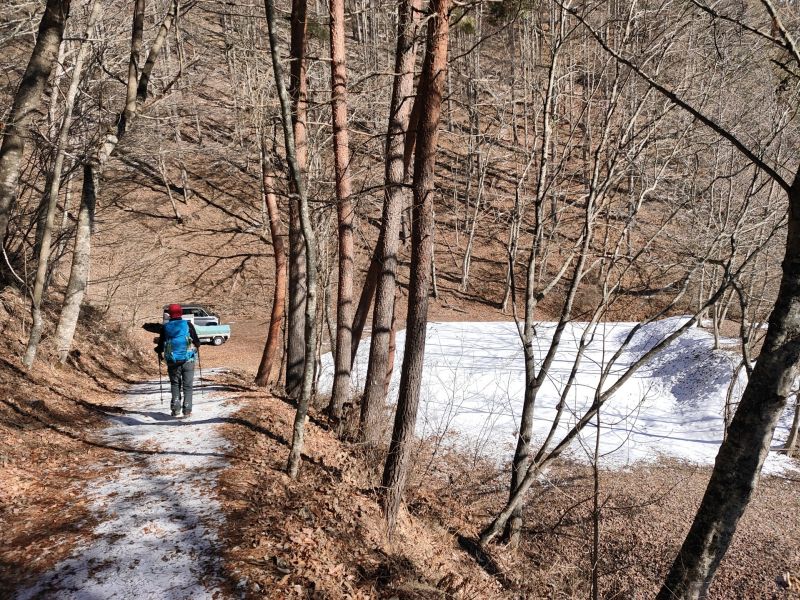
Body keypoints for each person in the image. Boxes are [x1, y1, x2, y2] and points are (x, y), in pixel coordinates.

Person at [155, 303, 201, 418]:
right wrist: (195, 346)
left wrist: (158, 350)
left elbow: (160, 346)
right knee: (188, 386)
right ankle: (187, 410)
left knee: (175, 384)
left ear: (169, 314)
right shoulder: (188, 325)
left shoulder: (165, 328)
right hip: (188, 360)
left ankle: (176, 410)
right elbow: (197, 342)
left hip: (173, 361)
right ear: (181, 313)